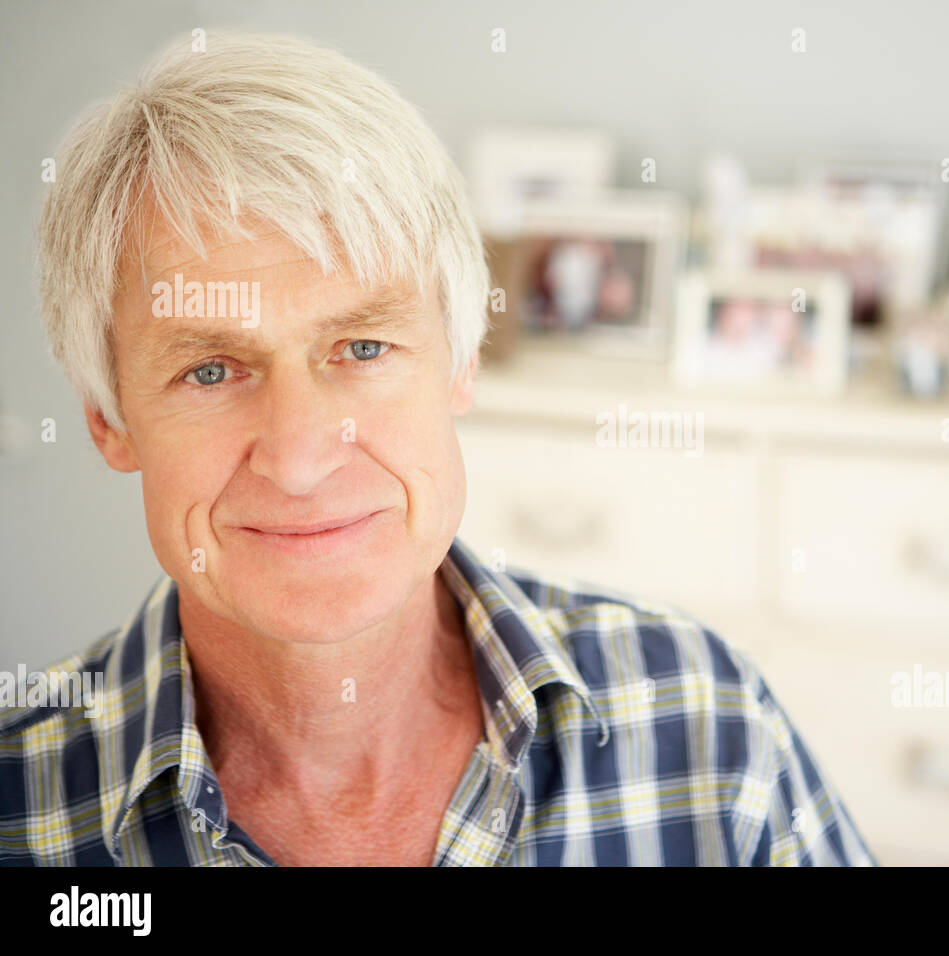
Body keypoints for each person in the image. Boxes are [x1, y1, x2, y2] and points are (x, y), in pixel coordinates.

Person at [0, 32, 874, 867]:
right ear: (108, 419)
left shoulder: (711, 728)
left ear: (461, 361)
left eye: (364, 349)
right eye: (212, 370)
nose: (301, 459)